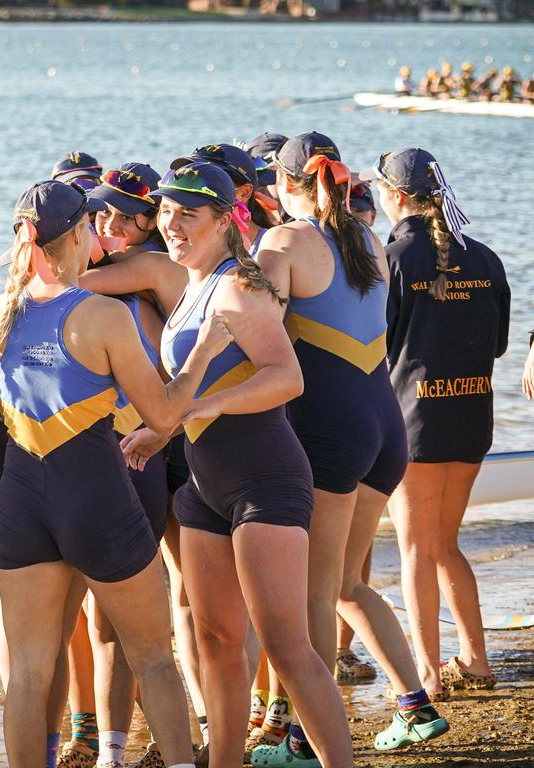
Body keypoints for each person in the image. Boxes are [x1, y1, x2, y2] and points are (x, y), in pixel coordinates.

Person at [0, 179, 225, 768]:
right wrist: (205, 352)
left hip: (24, 503)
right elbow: (163, 413)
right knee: (152, 656)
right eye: (91, 226)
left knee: (30, 672)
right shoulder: (104, 315)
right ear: (81, 235)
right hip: (95, 498)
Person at [121, 161, 352, 768]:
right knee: (216, 640)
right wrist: (159, 427)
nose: (171, 225)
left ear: (225, 221)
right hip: (203, 486)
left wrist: (205, 405)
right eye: (166, 212)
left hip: (265, 479)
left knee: (286, 643)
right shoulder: (191, 284)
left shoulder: (237, 285)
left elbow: (287, 377)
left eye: (187, 214)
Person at [253, 132, 406, 765]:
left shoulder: (284, 241)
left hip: (333, 432)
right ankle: (416, 701)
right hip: (385, 425)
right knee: (344, 582)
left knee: (315, 594)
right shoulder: (369, 237)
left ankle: (302, 739)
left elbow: (249, 329)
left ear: (284, 186)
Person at [363, 148, 510, 699]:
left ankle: (427, 676)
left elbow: (373, 345)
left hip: (414, 419)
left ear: (396, 196)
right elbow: (495, 345)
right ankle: (474, 661)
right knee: (445, 543)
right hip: (472, 414)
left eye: (379, 188)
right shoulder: (488, 258)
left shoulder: (392, 258)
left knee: (417, 550)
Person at [171, 144, 271, 255]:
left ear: (244, 193)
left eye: (211, 179)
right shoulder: (181, 244)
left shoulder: (273, 247)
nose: (195, 188)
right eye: (191, 177)